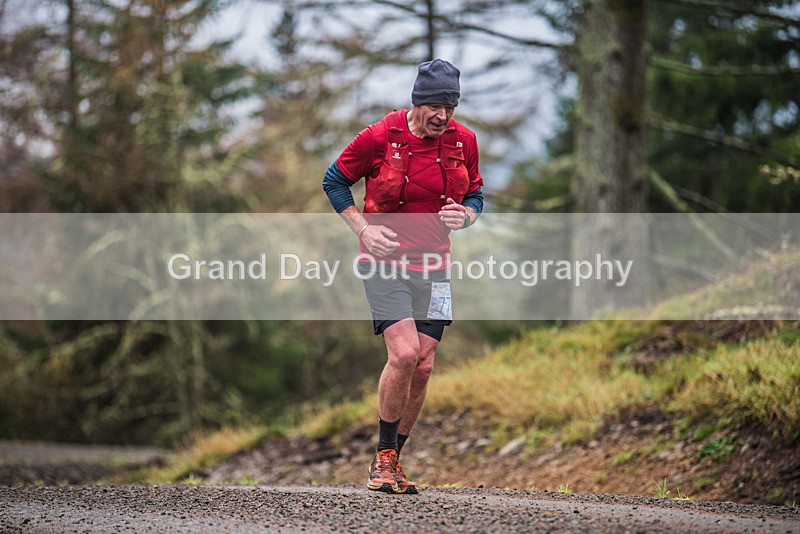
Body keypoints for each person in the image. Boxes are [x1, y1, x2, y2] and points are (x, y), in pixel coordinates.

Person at [322, 59, 484, 494]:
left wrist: (466, 215)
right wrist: (363, 229)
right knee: (406, 353)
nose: (442, 116)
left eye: (449, 107)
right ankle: (384, 458)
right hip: (384, 263)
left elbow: (477, 195)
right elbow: (334, 181)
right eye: (435, 106)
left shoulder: (463, 141)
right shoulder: (378, 137)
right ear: (418, 101)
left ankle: (393, 458)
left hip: (435, 267)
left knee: (426, 364)